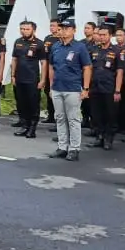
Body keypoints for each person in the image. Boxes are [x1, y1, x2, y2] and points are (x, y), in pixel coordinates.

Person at [47, 19, 91, 161]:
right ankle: (62, 147)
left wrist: (85, 88)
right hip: (57, 88)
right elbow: (52, 67)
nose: (64, 31)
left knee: (73, 119)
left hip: (73, 88)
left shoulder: (80, 47)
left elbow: (87, 68)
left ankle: (74, 148)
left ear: (73, 30)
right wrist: (51, 85)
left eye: (67, 28)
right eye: (62, 28)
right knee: (59, 118)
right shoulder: (56, 46)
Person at [87, 23, 122, 149]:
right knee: (96, 114)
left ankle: (108, 138)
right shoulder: (94, 50)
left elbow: (119, 72)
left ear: (110, 36)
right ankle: (99, 136)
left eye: (104, 35)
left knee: (110, 114)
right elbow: (89, 69)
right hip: (95, 87)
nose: (101, 37)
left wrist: (117, 90)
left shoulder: (116, 51)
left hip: (109, 88)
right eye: (100, 35)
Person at [10, 20, 44, 139]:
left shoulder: (39, 44)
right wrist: (13, 76)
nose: (24, 31)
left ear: (33, 30)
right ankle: (24, 125)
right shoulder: (18, 42)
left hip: (32, 79)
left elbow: (44, 63)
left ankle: (32, 128)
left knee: (33, 104)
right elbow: (14, 59)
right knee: (21, 103)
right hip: (19, 78)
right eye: (22, 29)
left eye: (27, 29)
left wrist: (43, 80)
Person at [42, 19, 61, 125]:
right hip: (48, 68)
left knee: (57, 95)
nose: (51, 27)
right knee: (48, 92)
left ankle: (59, 118)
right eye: (50, 25)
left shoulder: (61, 39)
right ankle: (51, 115)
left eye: (54, 25)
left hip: (57, 69)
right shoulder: (48, 38)